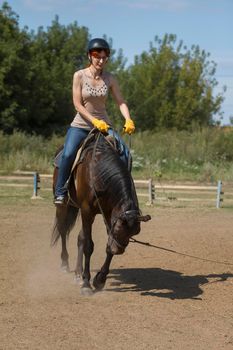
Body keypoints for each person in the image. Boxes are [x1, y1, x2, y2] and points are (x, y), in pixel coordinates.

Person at [54, 38, 135, 205]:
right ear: (89, 56)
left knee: (126, 154)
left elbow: (121, 101)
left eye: (105, 57)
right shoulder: (79, 76)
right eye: (97, 56)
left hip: (104, 126)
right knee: (68, 153)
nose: (101, 60)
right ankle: (60, 192)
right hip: (81, 125)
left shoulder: (110, 78)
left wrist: (128, 119)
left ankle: (124, 193)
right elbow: (77, 104)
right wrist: (94, 121)